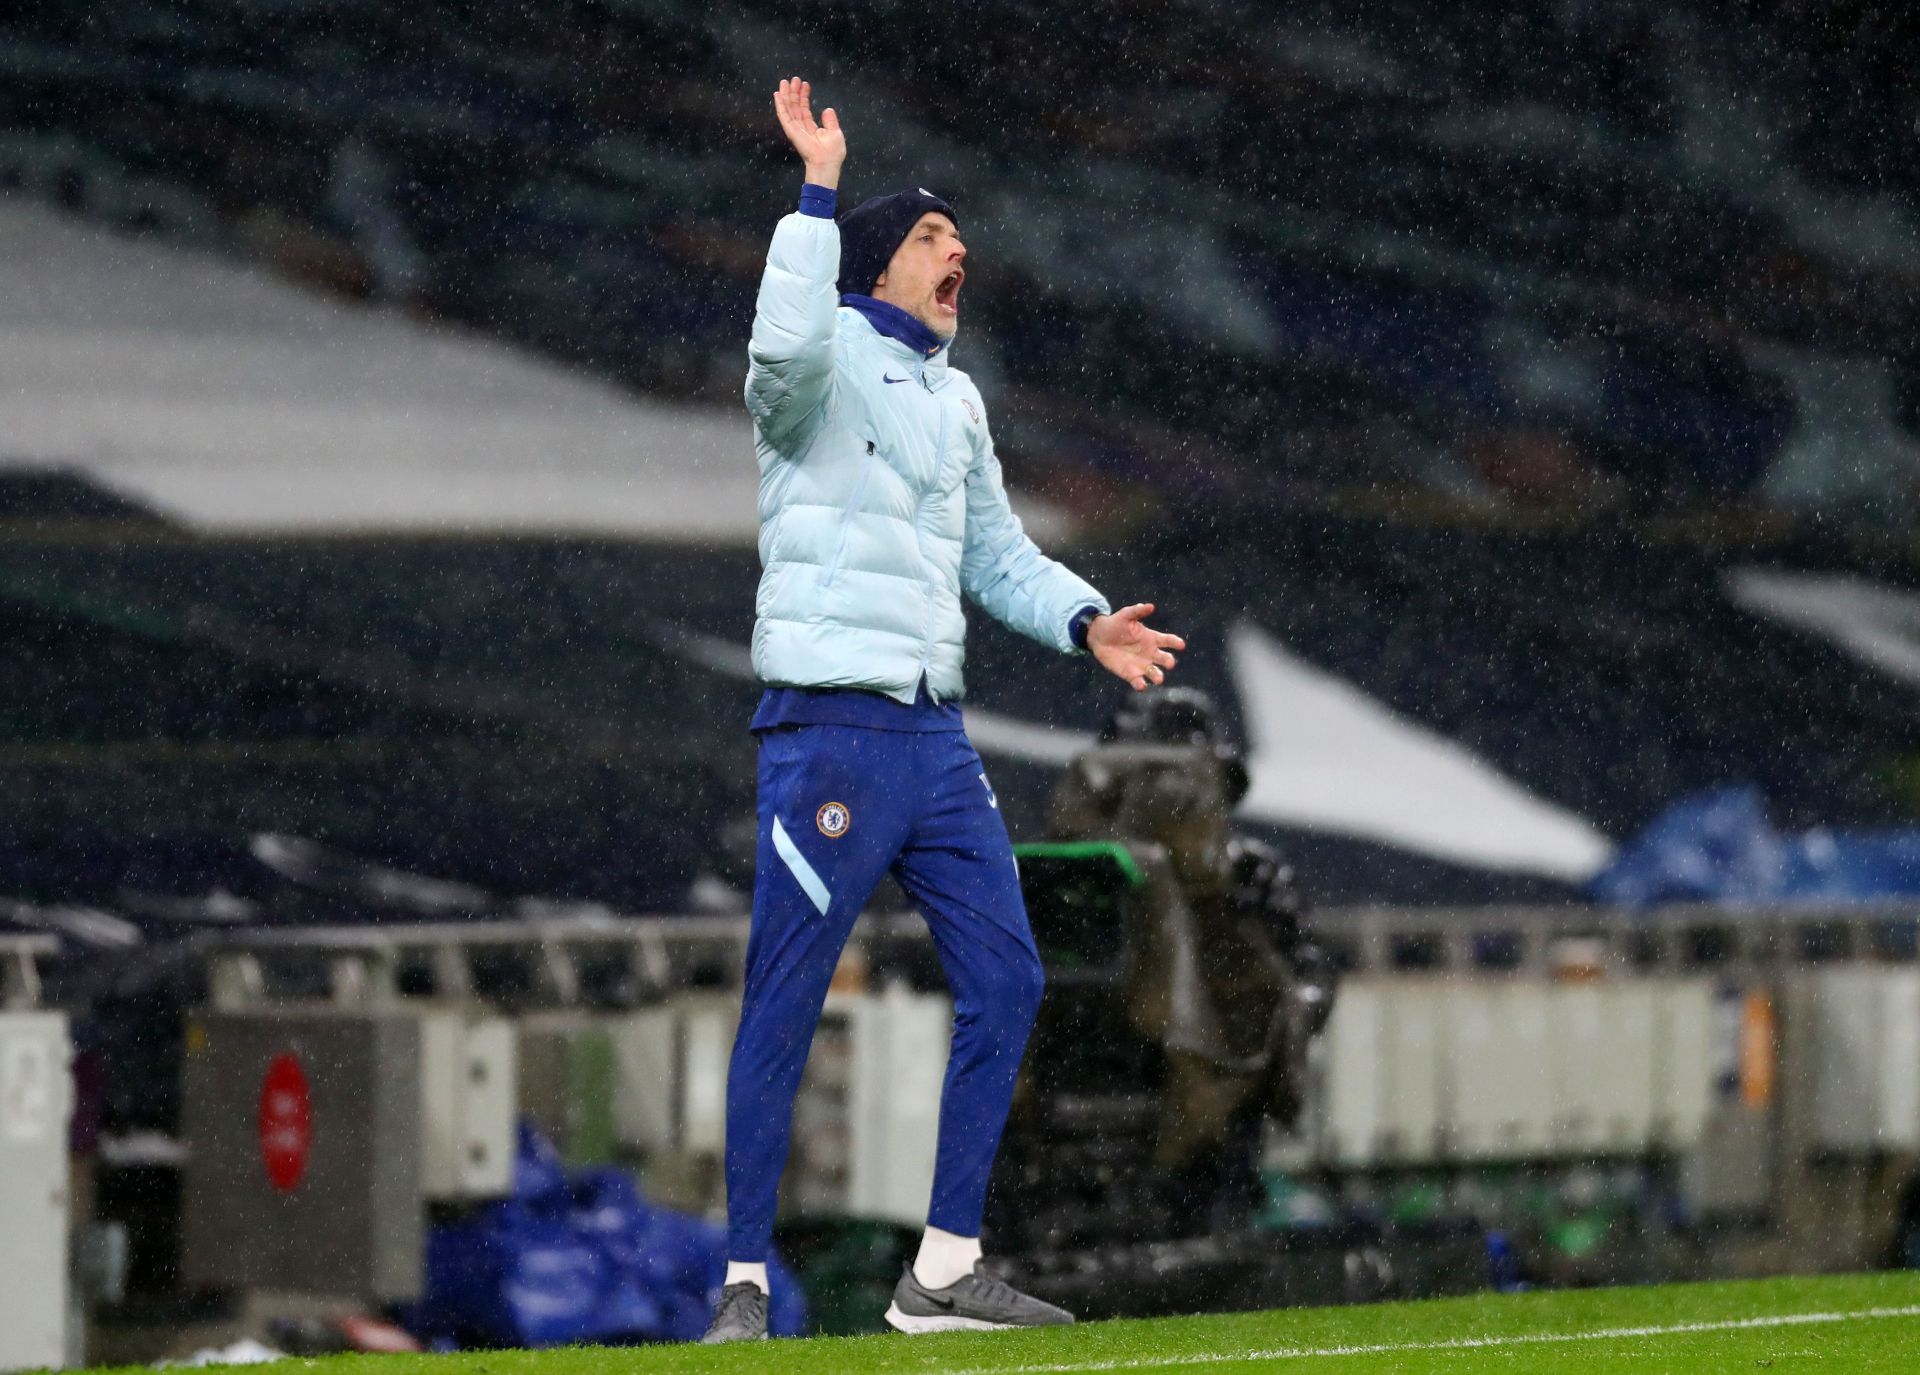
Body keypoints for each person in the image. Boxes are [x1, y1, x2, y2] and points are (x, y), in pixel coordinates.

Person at [702, 77, 1185, 1342]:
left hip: (929, 732)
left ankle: (942, 1272)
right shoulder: (812, 376)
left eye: (959, 240)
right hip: (829, 732)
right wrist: (817, 190)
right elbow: (779, 346)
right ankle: (746, 1285)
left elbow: (997, 556)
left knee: (1011, 981)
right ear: (871, 266)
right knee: (786, 1000)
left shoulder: (954, 400)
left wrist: (1088, 620)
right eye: (930, 237)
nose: (957, 251)